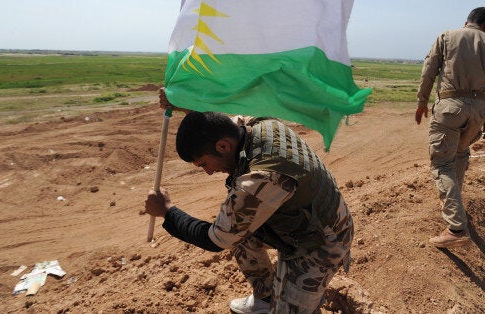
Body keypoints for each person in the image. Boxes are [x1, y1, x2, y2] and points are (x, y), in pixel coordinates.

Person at [142, 89, 353, 313]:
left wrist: (167, 211)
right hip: (299, 219)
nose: (209, 172)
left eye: (204, 164)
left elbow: (214, 239)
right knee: (240, 234)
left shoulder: (260, 181)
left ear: (223, 146)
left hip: (321, 241)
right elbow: (219, 123)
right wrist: (183, 106)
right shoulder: (257, 124)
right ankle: (266, 298)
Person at [414, 7, 485, 248]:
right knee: (460, 154)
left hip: (450, 106)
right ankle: (454, 210)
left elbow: (429, 71)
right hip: (478, 110)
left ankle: (456, 227)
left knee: (442, 163)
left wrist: (421, 102)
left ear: (468, 21)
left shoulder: (447, 36)